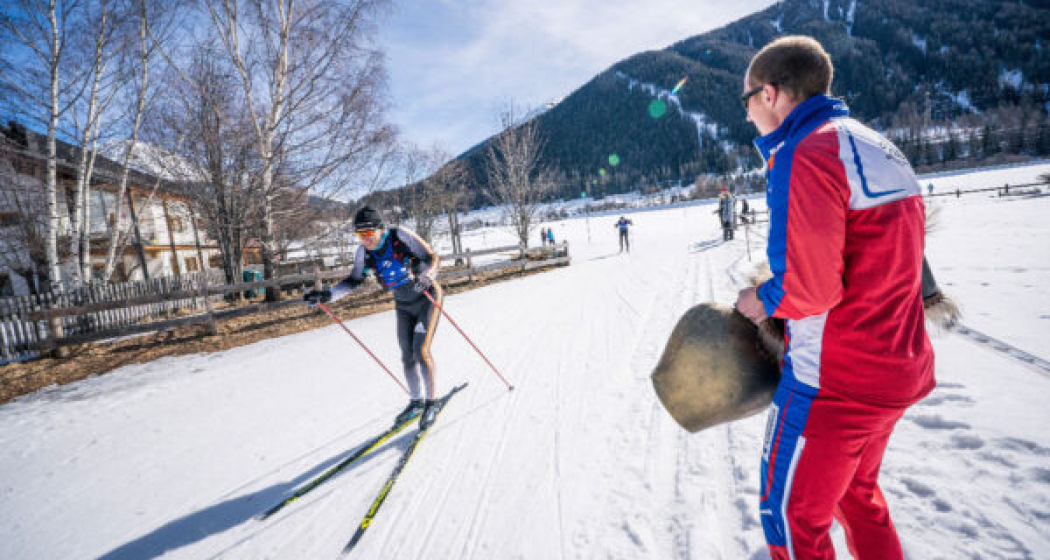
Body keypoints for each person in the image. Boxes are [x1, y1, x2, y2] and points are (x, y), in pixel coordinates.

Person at [733, 36, 933, 560]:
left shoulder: (808, 152)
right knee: (856, 498)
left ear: (771, 93)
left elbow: (812, 289)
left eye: (747, 99)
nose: (748, 113)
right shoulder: (874, 144)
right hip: (896, 367)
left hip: (834, 384)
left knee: (793, 522)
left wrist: (762, 299)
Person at [304, 206, 445, 428]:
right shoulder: (364, 252)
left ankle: (431, 402)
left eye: (368, 233)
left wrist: (426, 275)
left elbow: (433, 258)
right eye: (359, 235)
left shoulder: (400, 236)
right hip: (403, 304)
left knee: (421, 351)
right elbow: (353, 281)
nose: (365, 239)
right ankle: (416, 402)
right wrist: (326, 295)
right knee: (407, 355)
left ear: (380, 229)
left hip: (427, 297)